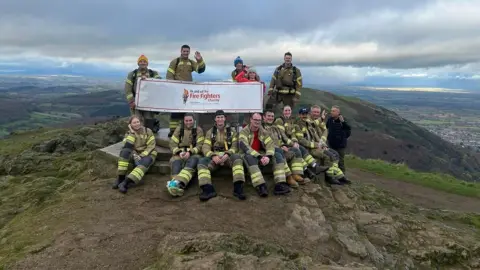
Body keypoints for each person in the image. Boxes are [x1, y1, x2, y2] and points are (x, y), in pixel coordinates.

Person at [197, 110, 246, 201]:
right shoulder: (210, 132)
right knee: (202, 162)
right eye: (218, 117)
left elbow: (235, 146)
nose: (220, 119)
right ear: (215, 119)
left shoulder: (232, 131)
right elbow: (205, 147)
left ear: (225, 118)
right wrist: (213, 156)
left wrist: (227, 154)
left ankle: (238, 188)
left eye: (222, 117)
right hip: (215, 157)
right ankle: (208, 189)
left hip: (227, 157)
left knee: (238, 159)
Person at [238, 112, 291, 197]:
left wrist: (268, 156)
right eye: (255, 120)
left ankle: (280, 184)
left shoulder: (263, 131)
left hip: (260, 153)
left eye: (259, 120)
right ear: (251, 120)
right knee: (249, 157)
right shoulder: (244, 132)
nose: (257, 122)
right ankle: (260, 186)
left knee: (277, 155)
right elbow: (245, 147)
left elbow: (270, 144)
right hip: (247, 153)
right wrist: (259, 157)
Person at [296, 107, 349, 185]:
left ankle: (338, 175)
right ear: (300, 115)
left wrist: (322, 144)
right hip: (310, 148)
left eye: (305, 114)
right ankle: (330, 177)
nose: (304, 116)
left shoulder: (309, 124)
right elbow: (302, 140)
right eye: (303, 114)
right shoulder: (299, 125)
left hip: (318, 145)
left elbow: (321, 133)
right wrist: (316, 145)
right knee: (329, 156)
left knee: (336, 154)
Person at [274, 105, 328, 181]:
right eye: (286, 110)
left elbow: (293, 134)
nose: (287, 112)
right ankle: (309, 170)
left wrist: (295, 142)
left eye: (289, 110)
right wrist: (290, 144)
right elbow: (282, 135)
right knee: (299, 150)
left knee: (299, 149)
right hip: (284, 144)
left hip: (291, 143)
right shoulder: (280, 120)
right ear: (283, 111)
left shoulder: (292, 121)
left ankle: (312, 168)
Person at [166, 45, 206, 138]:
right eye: (184, 51)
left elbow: (200, 70)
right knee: (175, 112)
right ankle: (173, 131)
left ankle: (186, 130)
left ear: (189, 52)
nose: (186, 53)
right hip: (176, 91)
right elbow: (169, 75)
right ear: (181, 51)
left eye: (187, 51)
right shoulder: (175, 62)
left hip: (187, 91)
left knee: (187, 111)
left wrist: (199, 60)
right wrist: (171, 88)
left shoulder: (191, 62)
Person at [113, 115, 157, 194]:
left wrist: (141, 155)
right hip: (135, 154)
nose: (136, 124)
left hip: (148, 153)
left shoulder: (148, 131)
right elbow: (127, 146)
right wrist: (132, 133)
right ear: (130, 125)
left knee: (146, 161)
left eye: (138, 122)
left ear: (140, 122)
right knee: (124, 152)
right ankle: (121, 178)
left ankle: (126, 182)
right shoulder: (129, 133)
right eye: (134, 123)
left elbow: (151, 146)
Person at [262, 109, 305, 188]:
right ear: (264, 117)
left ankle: (296, 174)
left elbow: (283, 138)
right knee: (280, 152)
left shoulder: (276, 127)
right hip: (269, 151)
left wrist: (293, 144)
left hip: (280, 148)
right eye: (268, 116)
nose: (270, 118)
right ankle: (289, 177)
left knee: (296, 150)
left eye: (272, 116)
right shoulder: (262, 128)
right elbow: (266, 144)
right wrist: (280, 147)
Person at [166, 113, 205, 196]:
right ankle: (174, 184)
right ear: (183, 121)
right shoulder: (179, 129)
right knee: (176, 163)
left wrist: (190, 152)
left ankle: (180, 184)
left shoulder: (198, 130)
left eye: (190, 120)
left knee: (192, 163)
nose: (188, 123)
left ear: (194, 121)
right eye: (186, 121)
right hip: (180, 153)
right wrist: (179, 152)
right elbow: (172, 144)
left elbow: (200, 145)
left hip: (194, 154)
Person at [124, 54, 161, 132]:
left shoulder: (153, 73)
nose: (143, 63)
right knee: (136, 121)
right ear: (138, 63)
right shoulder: (132, 74)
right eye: (141, 61)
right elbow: (128, 89)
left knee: (149, 122)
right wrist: (131, 101)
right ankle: (137, 139)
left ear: (147, 63)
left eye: (144, 61)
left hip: (149, 103)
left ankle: (149, 138)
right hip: (136, 103)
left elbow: (159, 81)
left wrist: (149, 79)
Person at [326, 105, 351, 174]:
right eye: (331, 111)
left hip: (340, 145)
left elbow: (348, 131)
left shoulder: (342, 120)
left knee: (340, 161)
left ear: (338, 112)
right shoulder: (330, 119)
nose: (331, 112)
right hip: (331, 144)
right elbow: (326, 127)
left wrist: (341, 138)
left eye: (333, 111)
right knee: (331, 159)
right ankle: (333, 173)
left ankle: (342, 175)